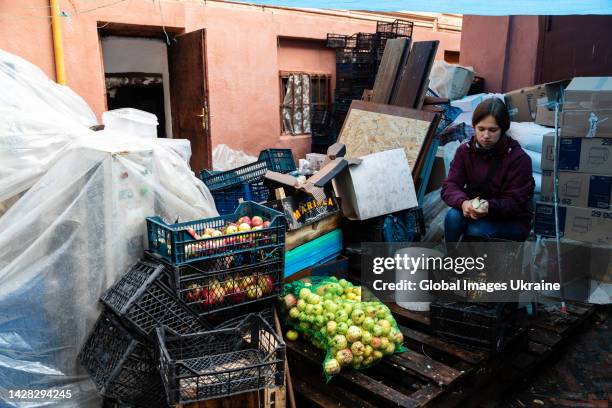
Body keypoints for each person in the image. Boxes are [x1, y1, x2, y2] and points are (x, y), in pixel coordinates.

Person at [441, 98, 535, 242]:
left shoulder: (519, 159)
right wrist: (464, 203)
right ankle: (452, 260)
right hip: (476, 210)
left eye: (492, 130)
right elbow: (450, 185)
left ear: (502, 129)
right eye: (481, 129)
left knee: (476, 230)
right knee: (452, 217)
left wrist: (489, 206)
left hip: (510, 220)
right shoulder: (465, 151)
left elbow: (516, 202)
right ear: (474, 127)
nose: (485, 136)